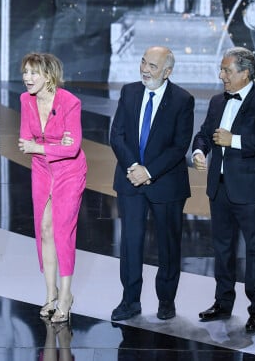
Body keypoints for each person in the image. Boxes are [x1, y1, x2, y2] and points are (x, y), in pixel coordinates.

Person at [192, 46, 255, 333]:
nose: (222, 76)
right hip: (218, 188)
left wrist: (235, 140)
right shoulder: (218, 101)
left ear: (246, 73)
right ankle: (223, 302)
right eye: (221, 69)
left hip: (251, 192)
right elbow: (205, 134)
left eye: (227, 71)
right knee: (222, 249)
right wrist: (198, 151)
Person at [109, 46, 194, 321]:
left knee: (168, 244)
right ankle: (129, 301)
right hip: (130, 179)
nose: (145, 69)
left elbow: (179, 145)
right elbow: (117, 135)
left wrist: (149, 172)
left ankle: (166, 301)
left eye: (153, 66)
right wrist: (134, 167)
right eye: (143, 62)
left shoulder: (183, 100)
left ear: (167, 71)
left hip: (165, 183)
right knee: (130, 243)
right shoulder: (129, 92)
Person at [18, 52, 87, 323]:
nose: (27, 78)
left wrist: (42, 145)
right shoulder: (26, 100)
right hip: (41, 169)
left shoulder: (70, 102)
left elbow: (73, 148)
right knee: (44, 229)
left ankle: (66, 295)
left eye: (33, 73)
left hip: (70, 171)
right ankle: (50, 293)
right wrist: (53, 145)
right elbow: (25, 142)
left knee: (62, 231)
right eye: (25, 72)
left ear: (49, 76)